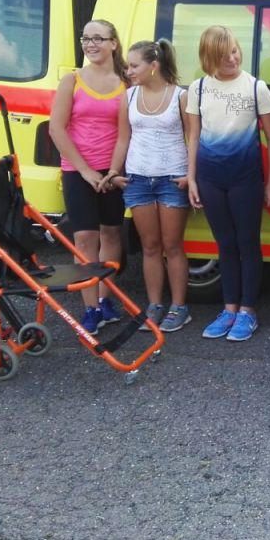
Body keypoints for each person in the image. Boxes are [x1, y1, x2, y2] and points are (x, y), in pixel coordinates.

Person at [185, 25, 270, 343]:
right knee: (224, 244)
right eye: (223, 54)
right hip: (210, 178)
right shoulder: (198, 88)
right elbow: (194, 136)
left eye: (235, 51)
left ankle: (247, 311)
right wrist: (192, 178)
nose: (232, 58)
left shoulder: (256, 87)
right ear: (209, 57)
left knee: (247, 242)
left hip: (246, 178)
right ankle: (229, 309)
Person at [105, 38, 192, 333]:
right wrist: (114, 171)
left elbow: (193, 138)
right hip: (137, 179)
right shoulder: (128, 96)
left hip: (172, 177)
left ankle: (179, 307)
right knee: (150, 247)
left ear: (153, 65)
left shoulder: (180, 96)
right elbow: (123, 138)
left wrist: (192, 176)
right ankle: (154, 305)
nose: (128, 71)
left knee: (173, 246)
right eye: (127, 66)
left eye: (134, 66)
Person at [48, 19, 128, 335]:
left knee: (112, 235)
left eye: (98, 38)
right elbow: (56, 129)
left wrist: (112, 172)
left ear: (113, 43)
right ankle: (90, 307)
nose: (90, 44)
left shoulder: (126, 82)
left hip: (112, 172)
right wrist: (84, 170)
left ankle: (106, 300)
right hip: (78, 171)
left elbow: (126, 133)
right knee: (84, 239)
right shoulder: (72, 80)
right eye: (86, 38)